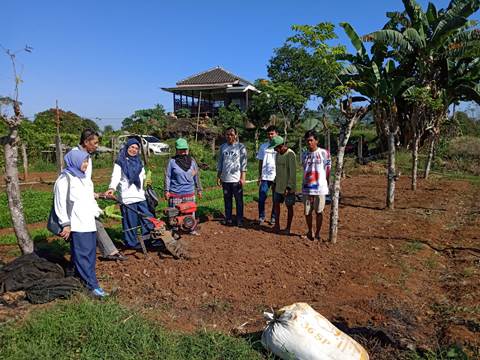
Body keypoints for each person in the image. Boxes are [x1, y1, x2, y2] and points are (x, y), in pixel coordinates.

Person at [54, 150, 107, 298]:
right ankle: (92, 286)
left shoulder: (85, 179)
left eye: (87, 161)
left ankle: (81, 280)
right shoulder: (65, 179)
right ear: (75, 161)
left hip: (89, 222)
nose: (85, 164)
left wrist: (98, 211)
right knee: (83, 255)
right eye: (83, 161)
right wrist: (65, 223)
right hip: (77, 223)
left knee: (90, 255)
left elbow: (90, 199)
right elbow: (60, 203)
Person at [72, 129, 127, 261]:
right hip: (76, 200)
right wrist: (90, 196)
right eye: (95, 143)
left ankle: (108, 251)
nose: (97, 146)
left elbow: (85, 181)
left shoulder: (85, 155)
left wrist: (97, 195)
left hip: (84, 197)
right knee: (85, 229)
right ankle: (79, 261)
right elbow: (74, 182)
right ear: (86, 142)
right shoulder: (77, 155)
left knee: (94, 224)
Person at [105, 138, 153, 250]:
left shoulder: (139, 162)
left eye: (136, 148)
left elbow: (143, 177)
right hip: (127, 198)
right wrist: (112, 188)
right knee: (130, 223)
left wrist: (147, 180)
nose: (134, 150)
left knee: (147, 219)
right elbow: (115, 177)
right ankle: (131, 244)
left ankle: (149, 239)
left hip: (140, 197)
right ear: (127, 147)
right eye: (132, 147)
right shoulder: (120, 162)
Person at [164, 138, 203, 234]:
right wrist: (166, 190)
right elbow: (167, 177)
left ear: (187, 149)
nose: (183, 152)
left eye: (184, 149)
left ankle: (191, 229)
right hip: (175, 192)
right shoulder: (172, 161)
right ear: (176, 150)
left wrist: (199, 189)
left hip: (189, 191)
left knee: (189, 212)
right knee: (174, 213)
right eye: (180, 150)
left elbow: (196, 176)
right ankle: (174, 230)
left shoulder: (192, 161)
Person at [301, 130, 331, 241]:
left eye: (311, 140)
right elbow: (304, 169)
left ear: (316, 141)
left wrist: (327, 183)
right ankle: (310, 231)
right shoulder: (304, 154)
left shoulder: (324, 153)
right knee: (307, 212)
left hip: (320, 187)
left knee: (319, 211)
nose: (309, 143)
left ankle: (318, 233)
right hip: (307, 188)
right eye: (307, 140)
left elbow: (328, 169)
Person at [217, 127, 247, 227]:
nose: (229, 136)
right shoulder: (223, 147)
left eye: (231, 134)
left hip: (236, 179)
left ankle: (239, 219)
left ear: (236, 135)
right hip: (225, 179)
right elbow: (220, 162)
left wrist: (243, 178)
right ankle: (228, 218)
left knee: (239, 201)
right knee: (227, 200)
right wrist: (218, 176)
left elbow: (244, 164)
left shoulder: (240, 147)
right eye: (227, 134)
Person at [271, 136, 296, 235]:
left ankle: (288, 228)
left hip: (288, 188)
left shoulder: (290, 154)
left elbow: (292, 173)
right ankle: (277, 225)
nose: (274, 150)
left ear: (281, 146)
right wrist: (274, 182)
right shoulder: (277, 155)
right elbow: (278, 171)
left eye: (275, 148)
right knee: (276, 205)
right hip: (278, 186)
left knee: (289, 206)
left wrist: (289, 187)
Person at [256, 125, 278, 225]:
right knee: (261, 197)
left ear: (277, 134)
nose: (270, 136)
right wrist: (259, 175)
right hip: (265, 177)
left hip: (276, 177)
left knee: (275, 199)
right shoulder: (263, 146)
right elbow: (260, 162)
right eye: (269, 134)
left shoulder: (279, 147)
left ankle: (273, 217)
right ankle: (261, 216)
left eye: (272, 134)